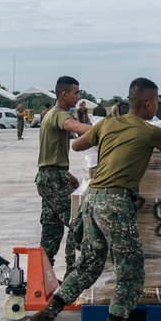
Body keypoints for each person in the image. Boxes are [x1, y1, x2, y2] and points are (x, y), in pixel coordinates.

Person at [26, 78, 161, 321]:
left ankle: (45, 317)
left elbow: (77, 146)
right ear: (149, 104)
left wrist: (106, 142)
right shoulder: (150, 131)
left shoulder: (106, 123)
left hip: (93, 202)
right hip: (116, 204)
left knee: (88, 267)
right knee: (131, 275)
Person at [35, 76, 93, 276]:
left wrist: (66, 173)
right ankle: (72, 273)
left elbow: (51, 153)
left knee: (51, 230)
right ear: (64, 94)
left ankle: (41, 278)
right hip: (53, 179)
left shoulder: (52, 114)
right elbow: (75, 127)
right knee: (77, 222)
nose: (78, 97)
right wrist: (107, 130)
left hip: (51, 175)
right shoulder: (59, 115)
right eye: (76, 93)